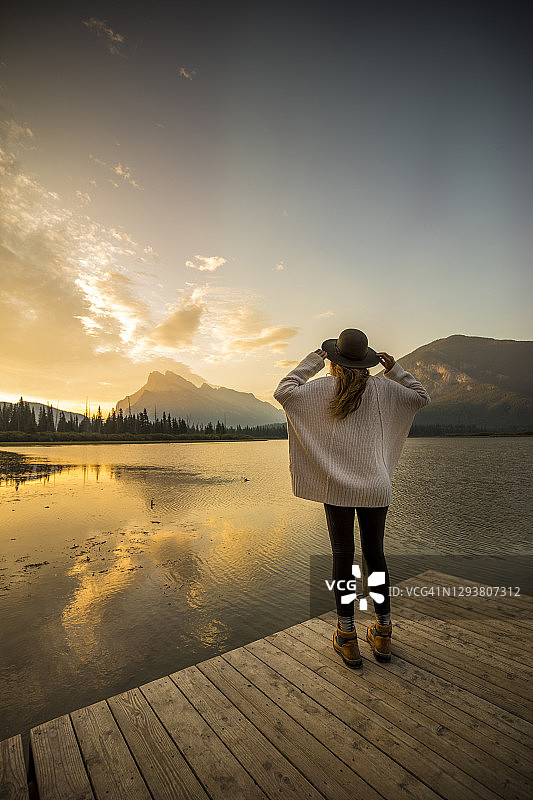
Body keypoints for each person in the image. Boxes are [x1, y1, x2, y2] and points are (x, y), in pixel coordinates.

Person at [273, 328, 431, 668]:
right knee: (375, 556)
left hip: (338, 488)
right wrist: (396, 371)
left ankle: (347, 636)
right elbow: (420, 396)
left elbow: (284, 391)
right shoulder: (386, 389)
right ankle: (384, 632)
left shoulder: (319, 390)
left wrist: (313, 361)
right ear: (369, 362)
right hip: (376, 487)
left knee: (343, 556)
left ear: (335, 360)